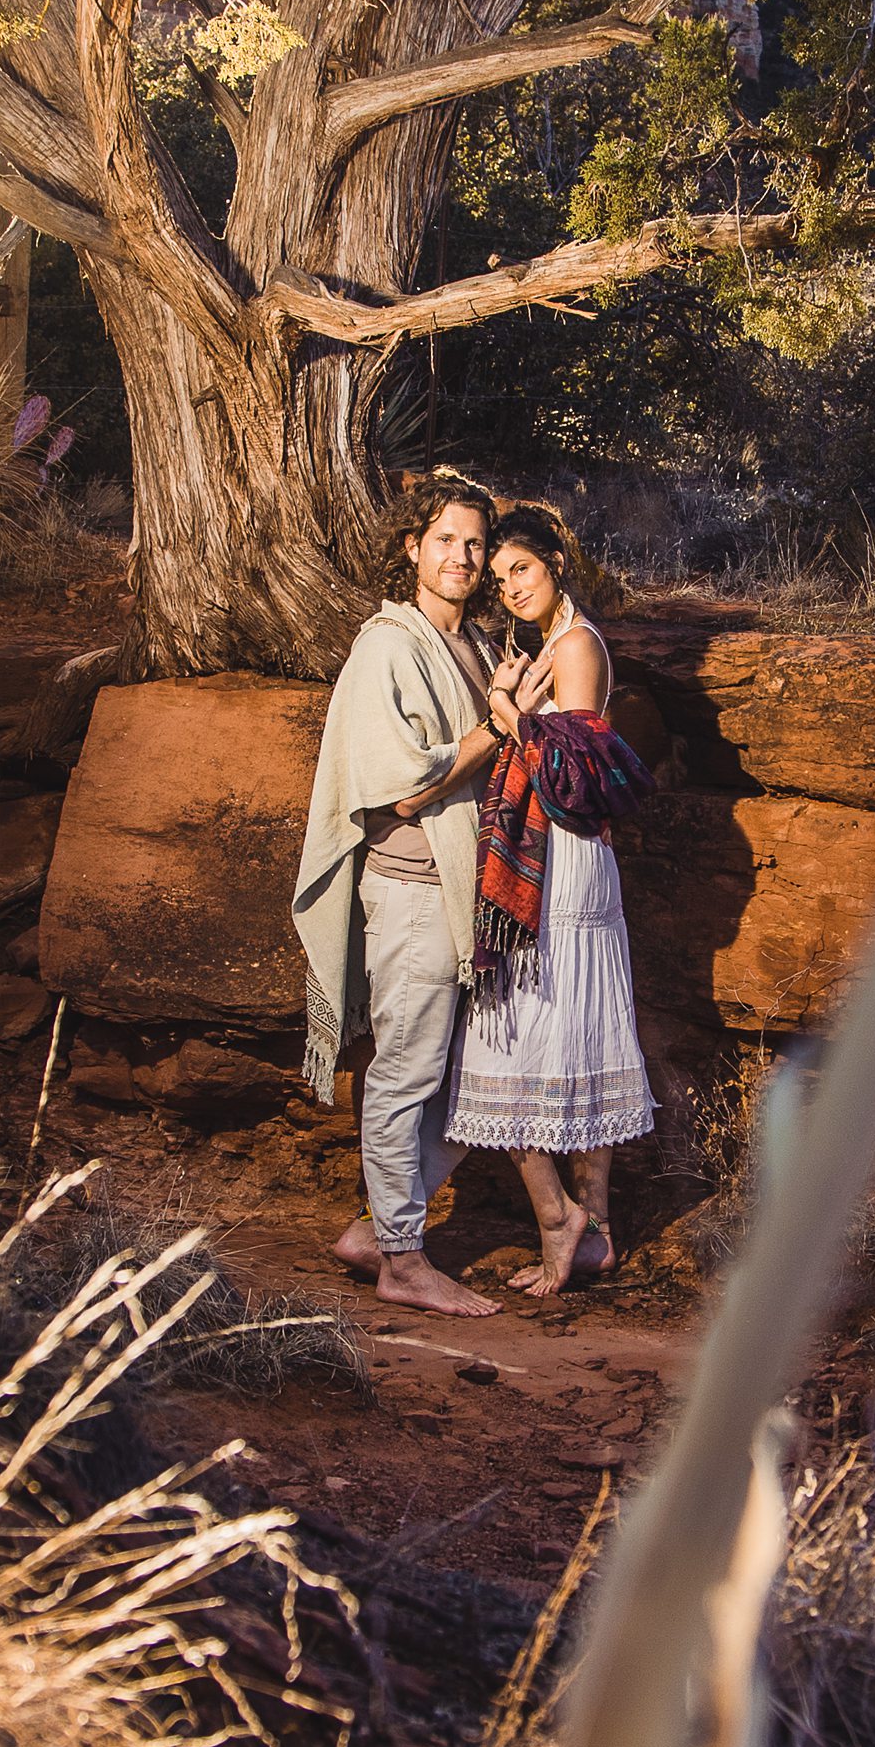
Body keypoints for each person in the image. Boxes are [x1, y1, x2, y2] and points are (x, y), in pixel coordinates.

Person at [291, 472, 511, 1319]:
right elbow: (407, 791)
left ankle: (376, 1229)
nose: (461, 556)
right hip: (415, 894)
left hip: (474, 897)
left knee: (483, 1082)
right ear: (413, 548)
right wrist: (497, 729)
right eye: (446, 540)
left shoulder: (482, 649)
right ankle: (403, 1259)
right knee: (407, 1074)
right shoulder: (389, 645)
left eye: (475, 542)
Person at [449, 501, 655, 1298]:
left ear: (556, 562)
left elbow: (567, 776)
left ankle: (558, 1220)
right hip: (571, 864)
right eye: (498, 580)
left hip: (561, 863)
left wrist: (505, 713)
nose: (509, 589)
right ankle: (594, 1228)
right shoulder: (557, 642)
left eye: (521, 571)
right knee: (576, 1030)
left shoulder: (573, 646)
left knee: (514, 1035)